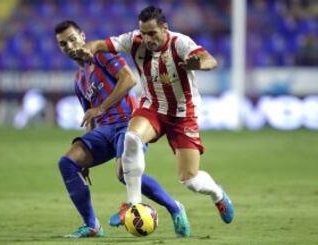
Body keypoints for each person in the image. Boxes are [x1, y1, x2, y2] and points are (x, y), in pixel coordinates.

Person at [73, 5, 235, 235]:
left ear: (164, 28)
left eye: (152, 33)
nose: (147, 39)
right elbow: (101, 44)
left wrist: (198, 64)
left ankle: (218, 195)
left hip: (182, 115)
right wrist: (88, 48)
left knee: (190, 180)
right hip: (152, 108)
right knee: (131, 138)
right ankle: (134, 205)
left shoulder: (180, 43)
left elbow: (209, 59)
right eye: (144, 33)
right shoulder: (135, 40)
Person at [54, 20, 191, 238]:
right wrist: (86, 158)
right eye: (63, 44)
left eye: (72, 40)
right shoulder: (79, 79)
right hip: (104, 130)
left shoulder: (102, 55)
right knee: (68, 163)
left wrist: (101, 108)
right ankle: (92, 226)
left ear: (82, 36)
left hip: (131, 123)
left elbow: (129, 79)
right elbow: (90, 115)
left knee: (123, 174)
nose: (69, 47)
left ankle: (175, 208)